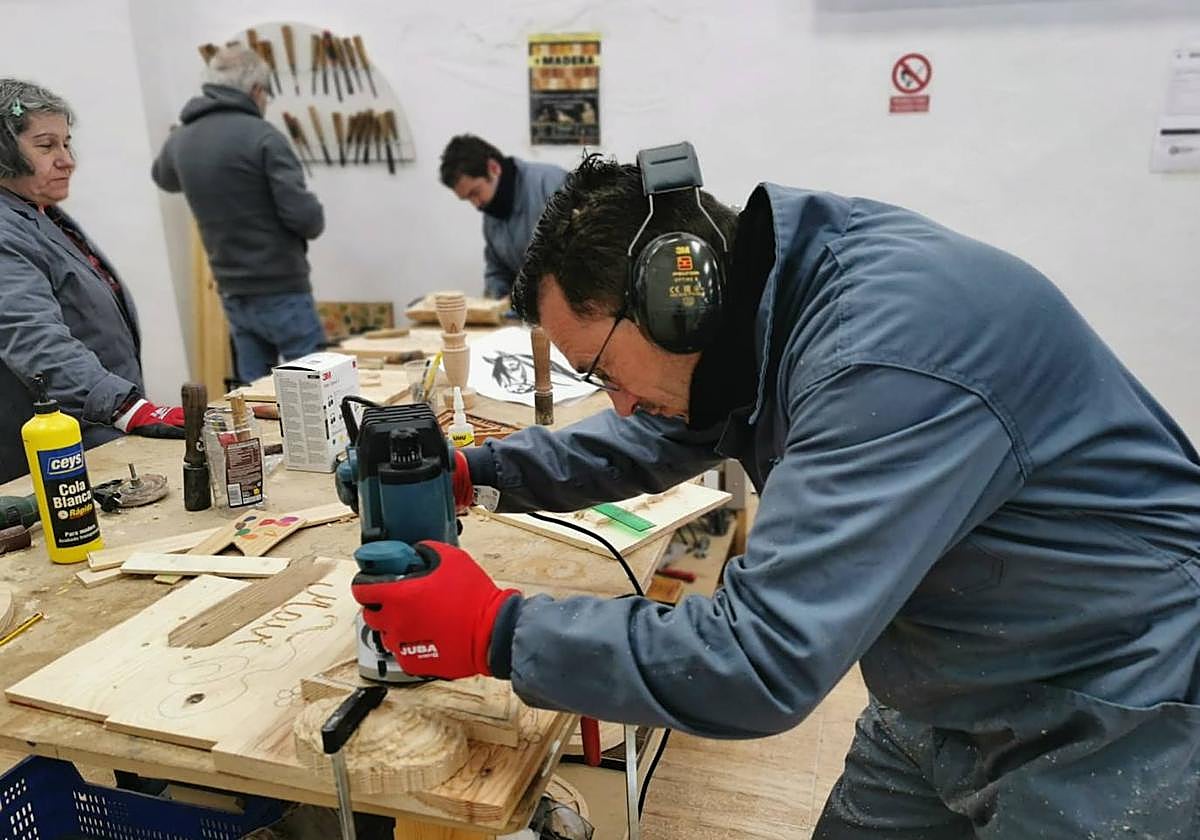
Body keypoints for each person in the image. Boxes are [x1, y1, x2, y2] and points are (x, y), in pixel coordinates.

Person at [352, 145, 1200, 838]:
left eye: (603, 370)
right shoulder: (767, 304)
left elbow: (760, 659)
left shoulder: (881, 357)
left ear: (673, 299)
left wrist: (498, 630)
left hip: (1107, 701)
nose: (617, 401)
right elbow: (665, 427)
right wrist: (482, 473)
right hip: (943, 683)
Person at [0, 79, 184, 484]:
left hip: (93, 434)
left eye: (67, 144)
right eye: (46, 146)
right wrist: (126, 407)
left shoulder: (36, 213)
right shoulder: (5, 229)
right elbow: (33, 337)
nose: (67, 161)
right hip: (56, 454)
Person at [152, 45, 325, 384]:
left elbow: (164, 177)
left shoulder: (182, 139)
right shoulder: (264, 137)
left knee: (254, 394)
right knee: (313, 388)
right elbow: (307, 220)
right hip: (282, 286)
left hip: (232, 290)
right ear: (256, 90)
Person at [438, 134, 566, 300]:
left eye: (475, 192)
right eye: (467, 199)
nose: (476, 204)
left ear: (494, 168)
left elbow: (588, 258)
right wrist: (495, 299)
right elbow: (497, 270)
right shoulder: (491, 214)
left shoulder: (552, 184)